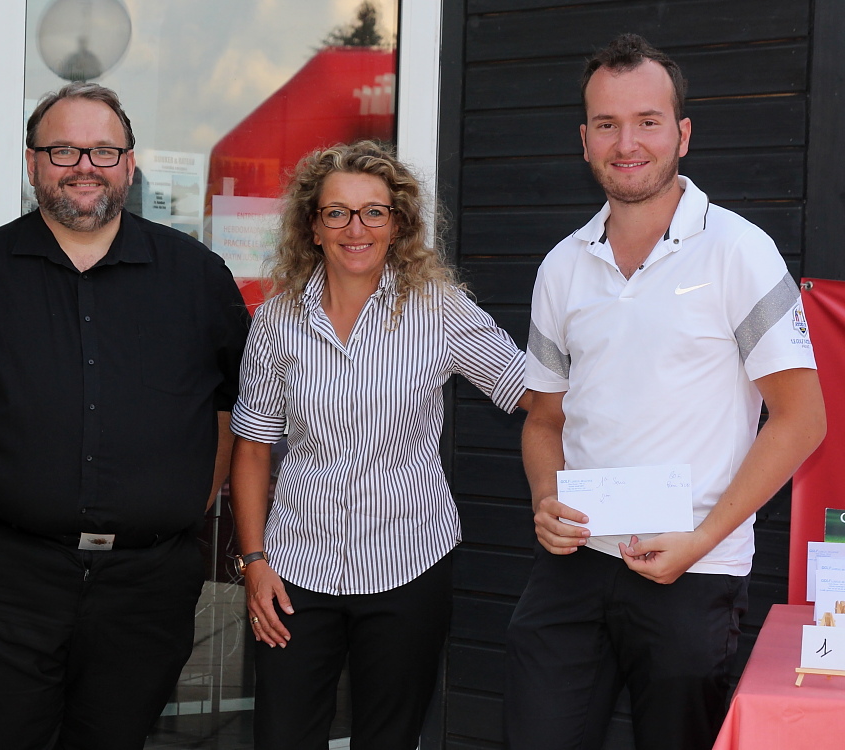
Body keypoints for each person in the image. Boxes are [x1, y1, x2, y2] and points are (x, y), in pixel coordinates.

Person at [0, 82, 249, 750]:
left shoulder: (197, 278)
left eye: (103, 151)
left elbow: (227, 402)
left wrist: (190, 501)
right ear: (32, 163)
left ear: (129, 165)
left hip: (144, 589)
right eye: (63, 150)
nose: (85, 166)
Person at [504, 33, 826, 750]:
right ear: (584, 141)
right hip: (575, 563)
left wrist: (702, 539)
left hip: (695, 567)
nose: (627, 143)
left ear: (681, 134)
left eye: (647, 121)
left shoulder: (739, 251)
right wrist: (544, 499)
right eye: (607, 124)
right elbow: (545, 419)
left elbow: (802, 420)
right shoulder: (562, 266)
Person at [229, 140, 528, 750]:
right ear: (314, 227)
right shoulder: (277, 320)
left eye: (374, 212)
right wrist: (253, 562)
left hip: (407, 564)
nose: (355, 228)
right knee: (282, 737)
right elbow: (254, 448)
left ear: (397, 225)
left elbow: (530, 392)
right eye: (337, 212)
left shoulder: (438, 309)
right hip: (295, 568)